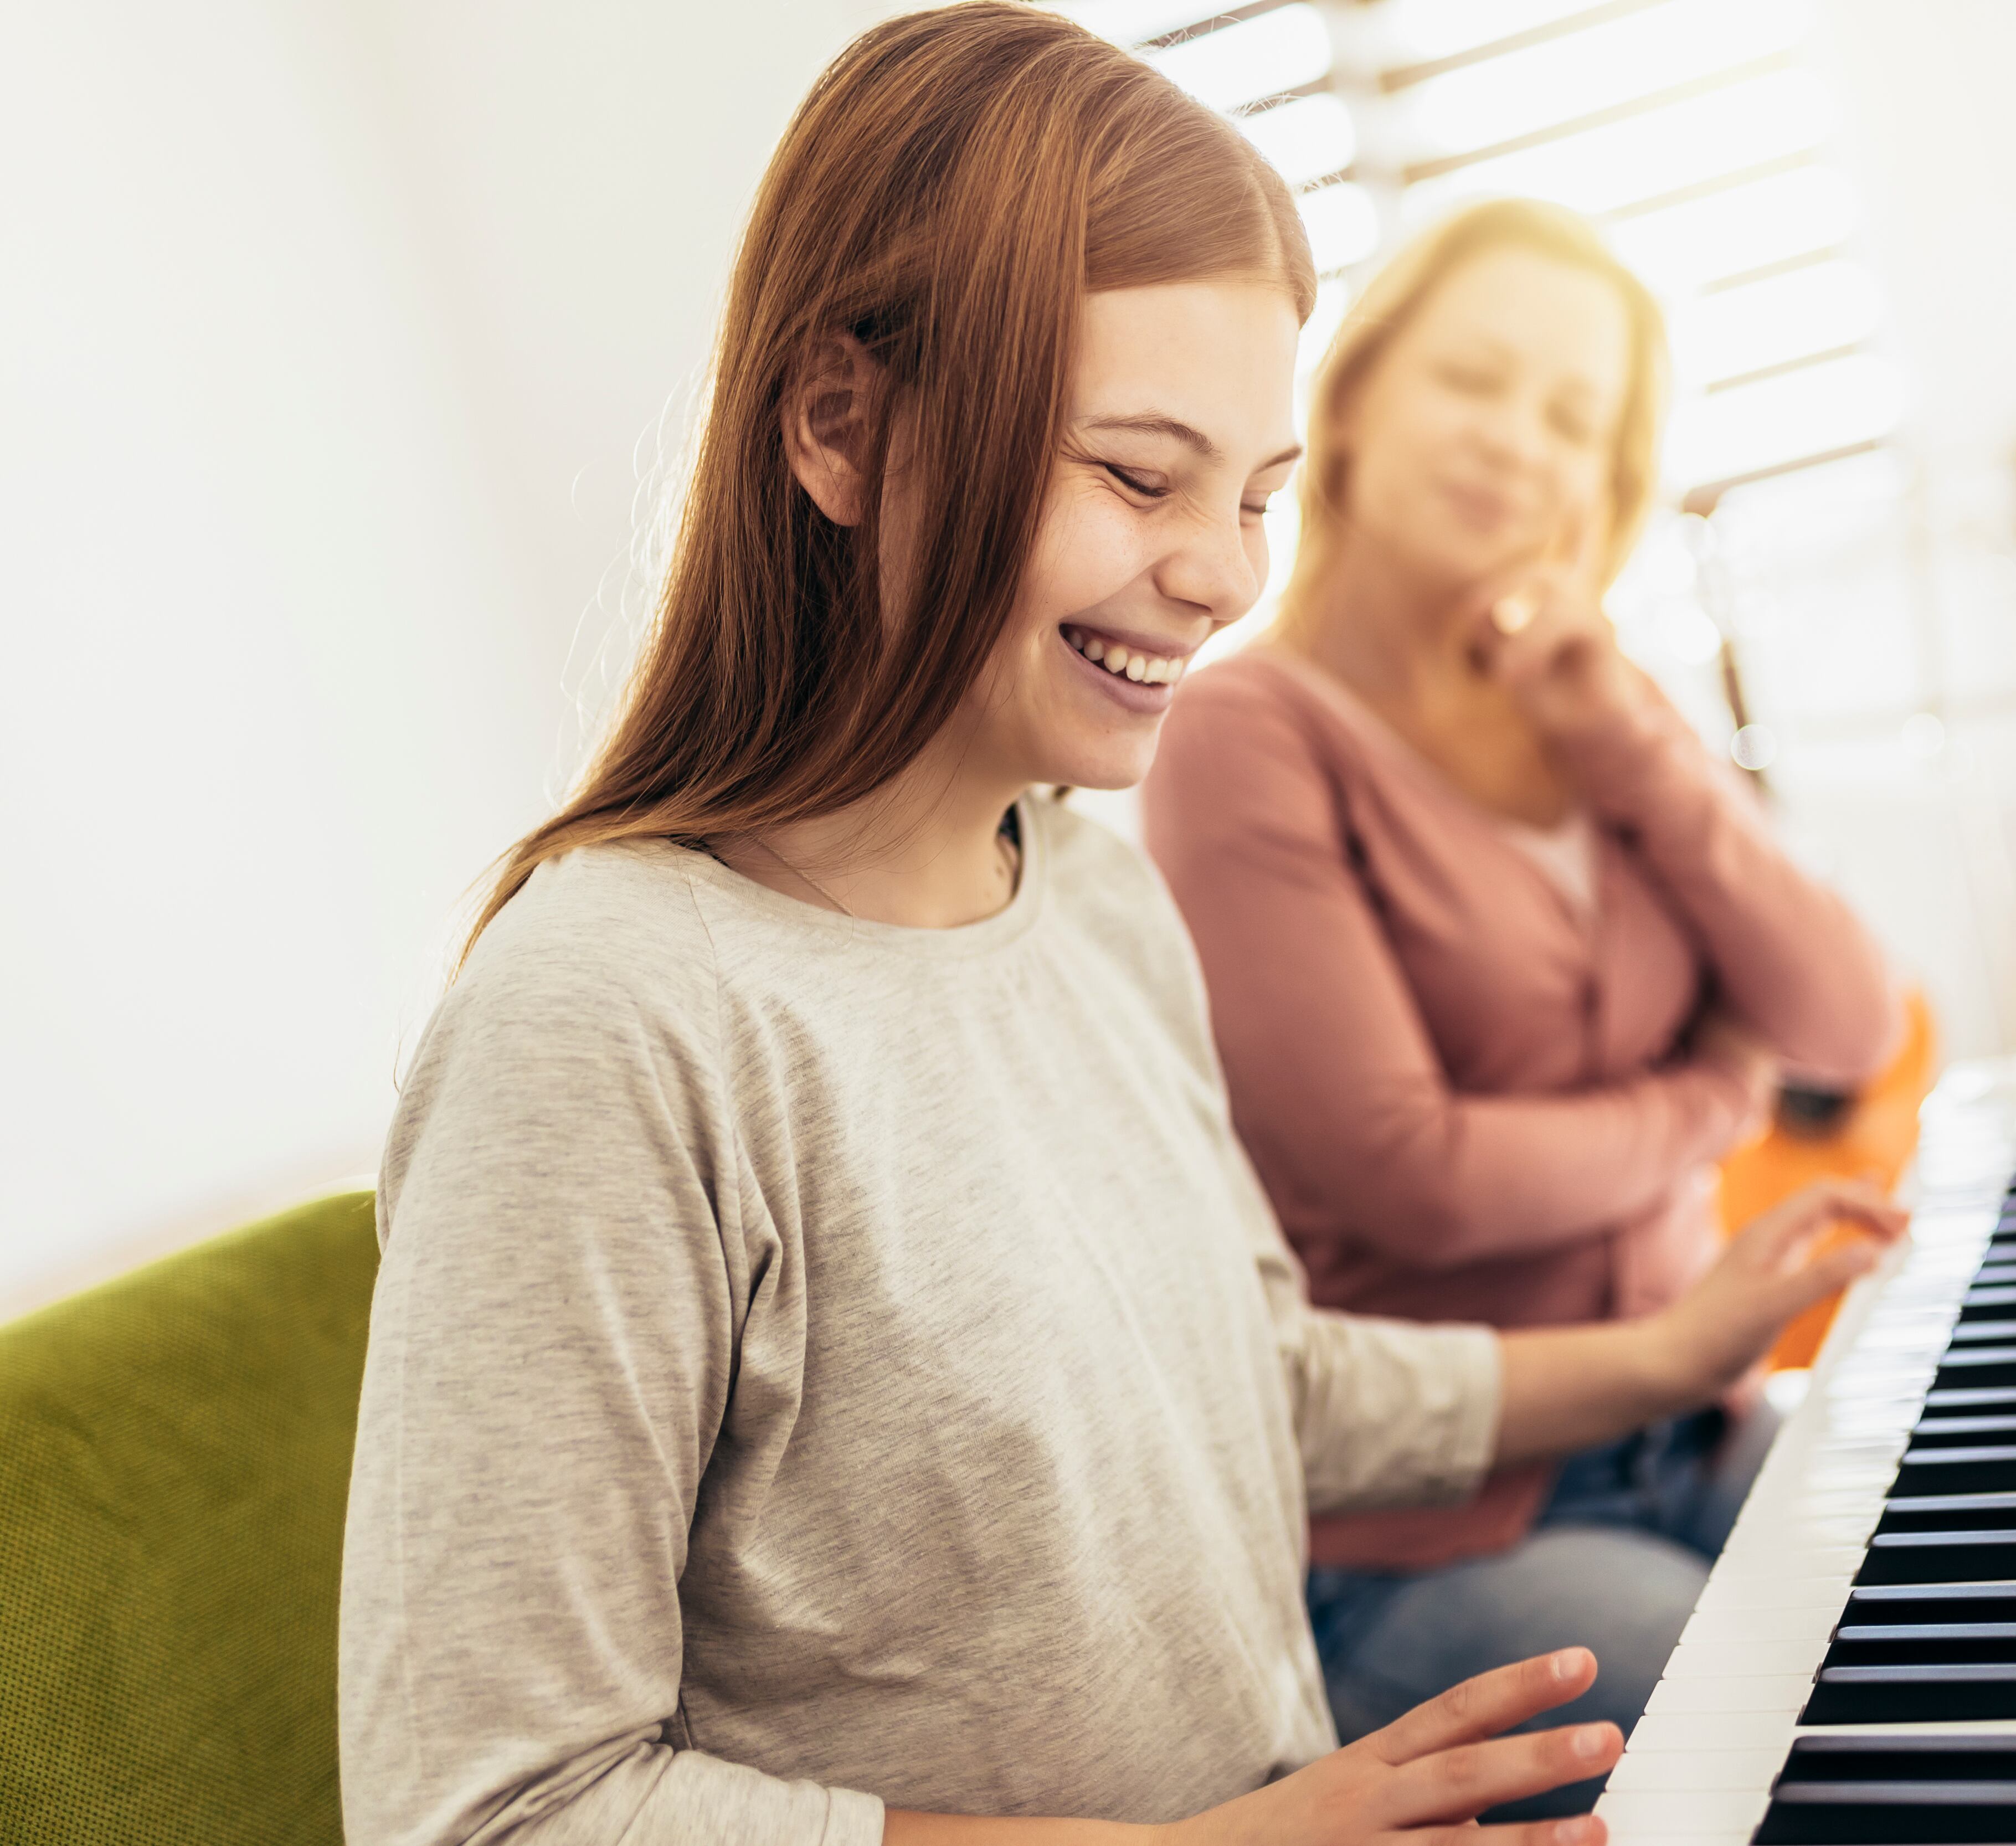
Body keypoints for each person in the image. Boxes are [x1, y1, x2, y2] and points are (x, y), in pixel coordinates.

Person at [338, 14, 1901, 1846]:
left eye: (1255, 495)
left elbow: (1258, 1379)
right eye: (1140, 479)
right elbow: (491, 1810)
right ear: (844, 428)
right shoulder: (603, 1021)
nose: (1229, 577)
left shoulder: (1085, 886)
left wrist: (1667, 1350)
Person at [1139, 201, 1904, 1775]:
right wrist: (1706, 1098)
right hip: (1432, 1532)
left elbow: (1846, 1022)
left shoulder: (1595, 707)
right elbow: (1414, 1176)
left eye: (1573, 420)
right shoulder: (1243, 737)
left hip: (1690, 1434)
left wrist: (1620, 735)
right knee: (1821, 1737)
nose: (1517, 444)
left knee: (1964, 1610)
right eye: (1476, 381)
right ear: (1352, 399)